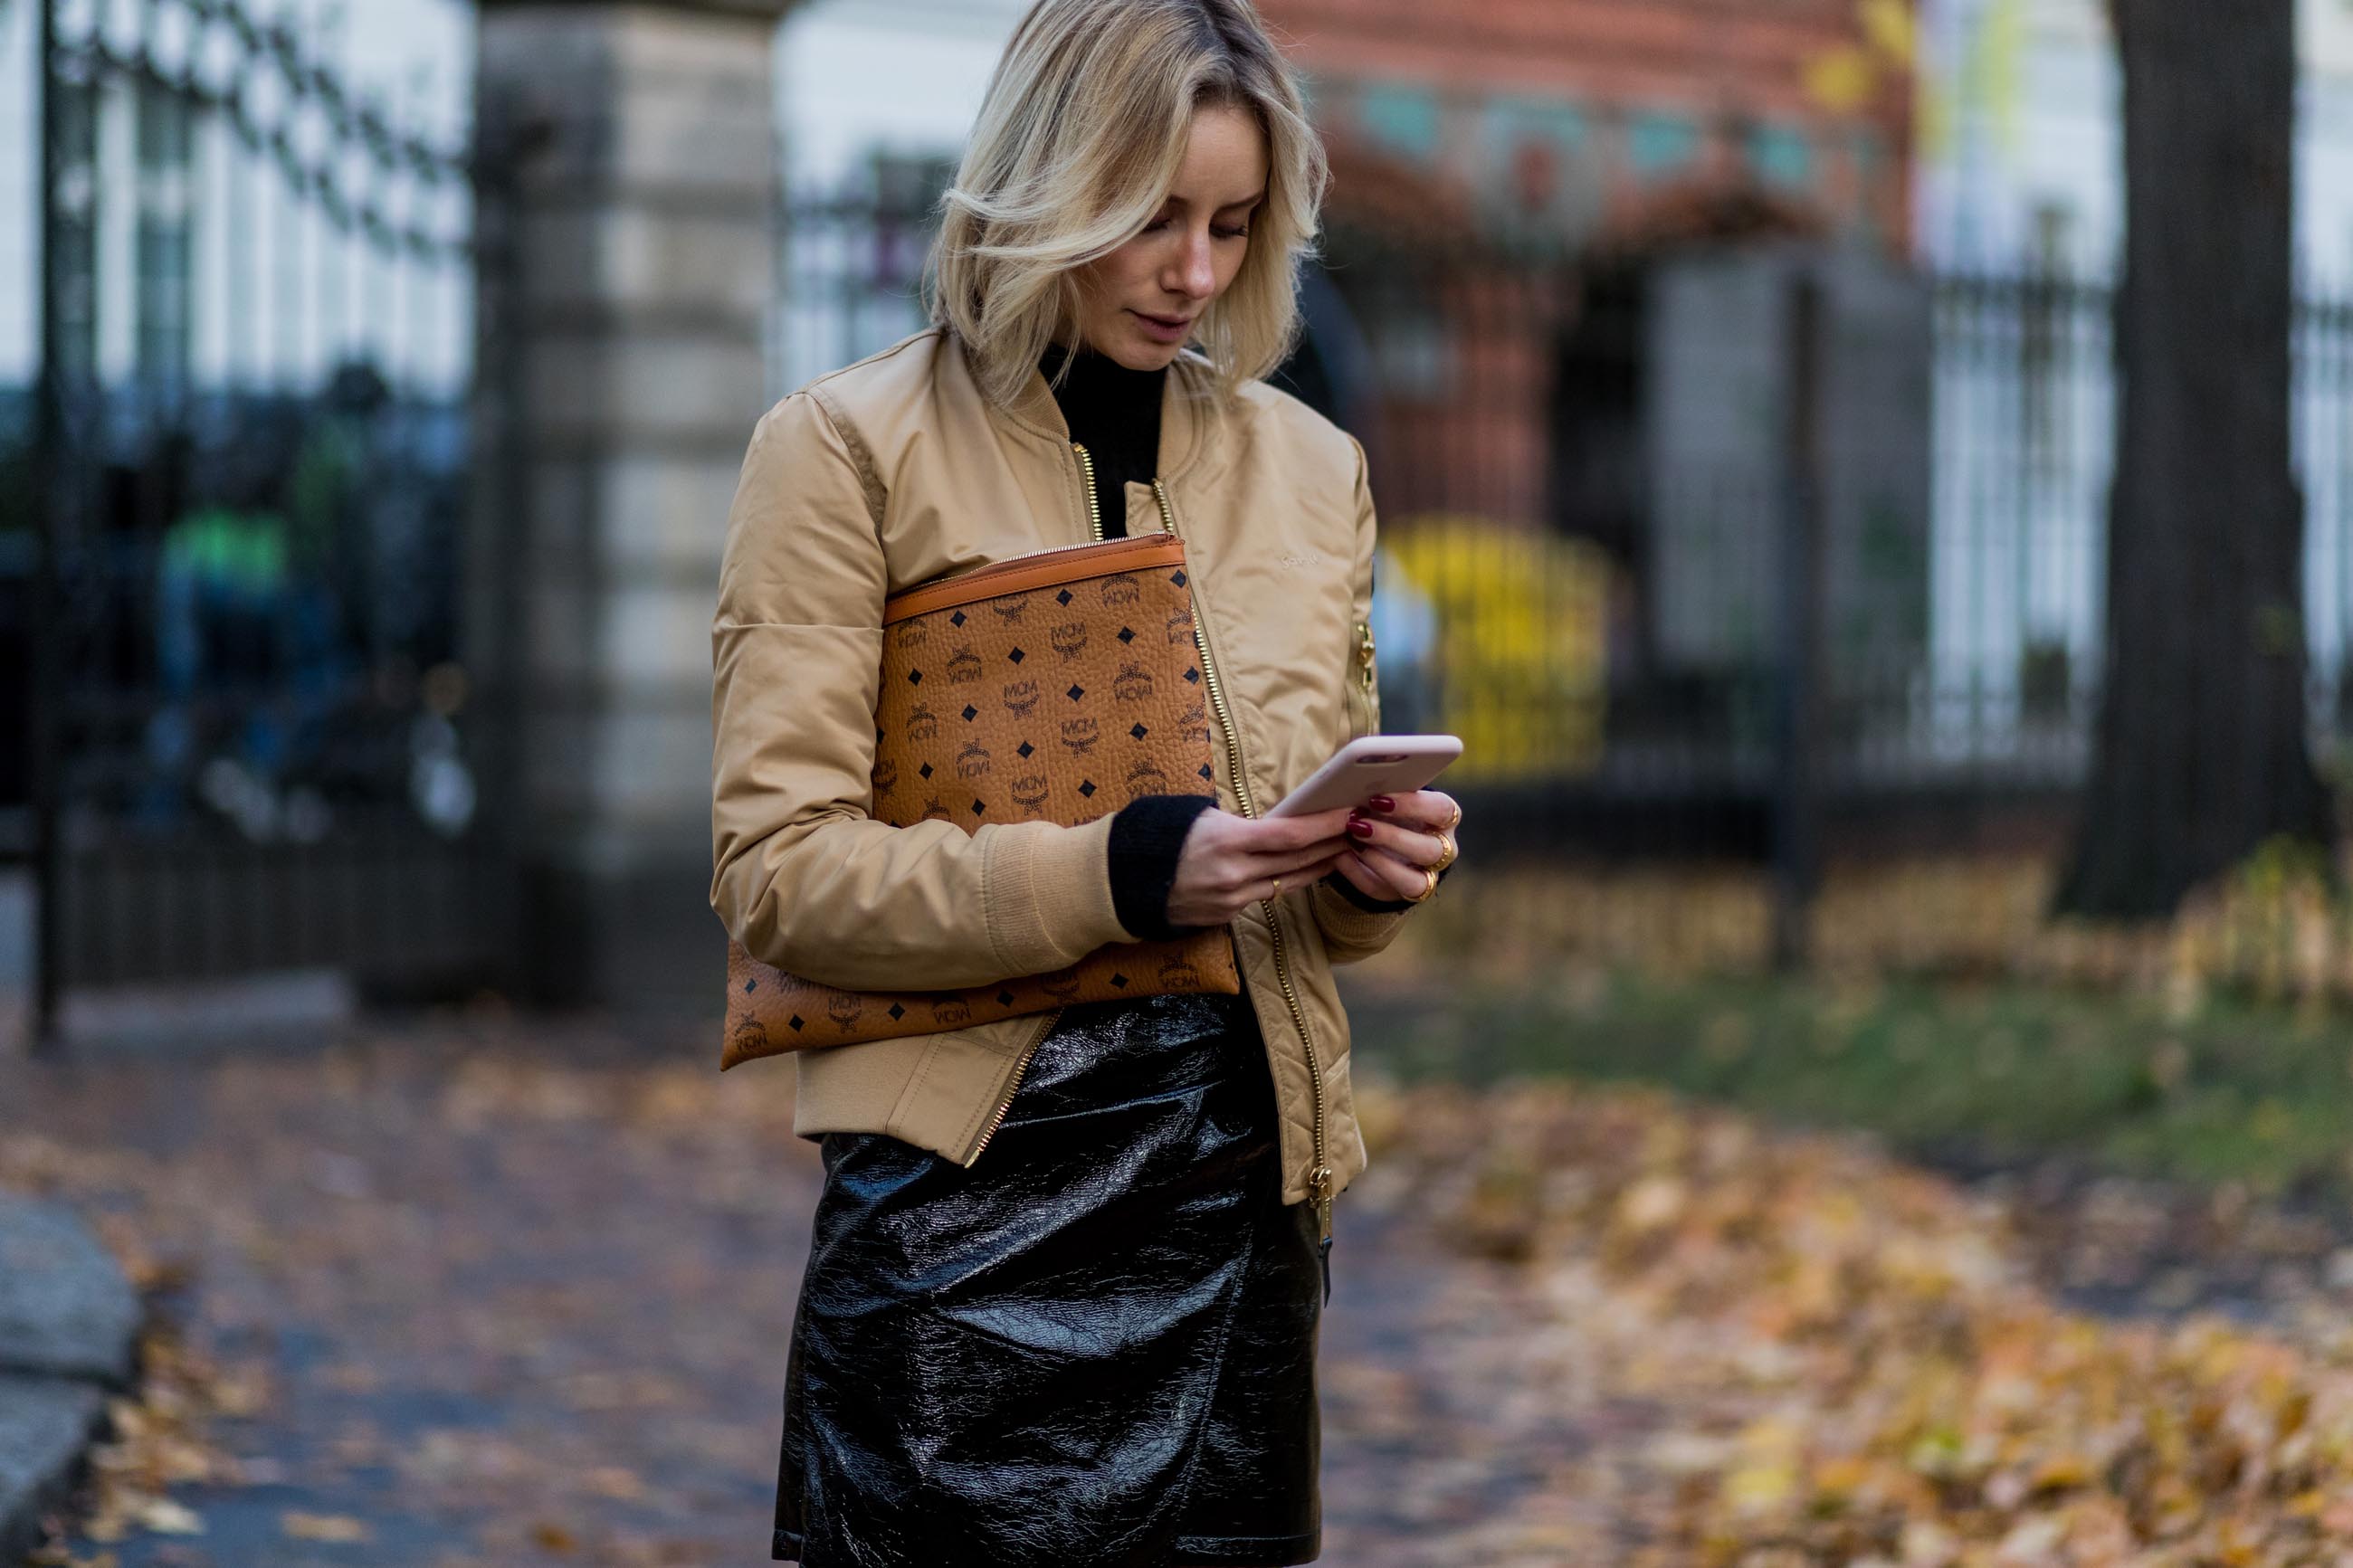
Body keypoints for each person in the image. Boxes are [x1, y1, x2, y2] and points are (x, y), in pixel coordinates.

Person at [708, 3, 1467, 1563]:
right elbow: (779, 872)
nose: (1196, 271)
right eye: (1152, 220)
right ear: (1046, 188)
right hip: (964, 1229)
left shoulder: (1314, 474)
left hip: (1239, 1209)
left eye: (1234, 224)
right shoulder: (847, 453)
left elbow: (1307, 918)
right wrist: (1115, 876)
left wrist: (1368, 876)